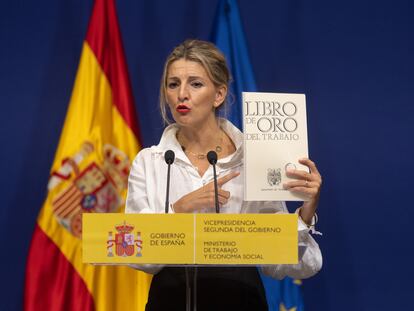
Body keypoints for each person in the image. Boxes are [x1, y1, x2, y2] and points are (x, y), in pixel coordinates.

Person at [126, 39, 322, 311]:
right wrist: (180, 209)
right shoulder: (149, 161)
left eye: (195, 84)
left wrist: (303, 217)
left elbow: (283, 265)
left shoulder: (255, 159)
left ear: (218, 95)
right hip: (169, 299)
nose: (182, 94)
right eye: (173, 84)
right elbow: (140, 258)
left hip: (240, 299)